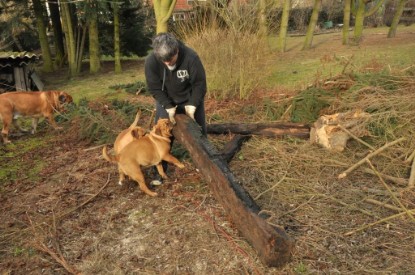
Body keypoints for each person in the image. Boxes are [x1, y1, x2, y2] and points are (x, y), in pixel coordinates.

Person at [144, 32, 207, 185]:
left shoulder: (191, 57)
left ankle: (205, 165)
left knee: (200, 132)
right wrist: (168, 106)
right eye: (164, 61)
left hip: (190, 98)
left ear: (177, 50)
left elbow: (200, 84)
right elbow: (154, 88)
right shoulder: (151, 62)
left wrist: (193, 105)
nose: (168, 64)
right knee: (161, 135)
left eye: (170, 60)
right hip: (166, 99)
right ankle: (160, 171)